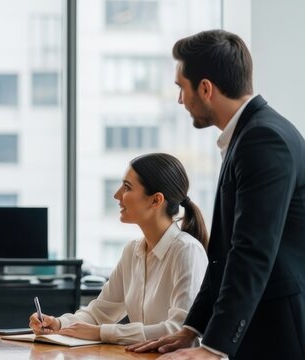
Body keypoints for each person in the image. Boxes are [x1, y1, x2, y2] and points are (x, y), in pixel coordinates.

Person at [127, 30, 305, 360]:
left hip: (276, 333)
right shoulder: (248, 135)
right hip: (257, 327)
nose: (180, 100)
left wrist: (214, 347)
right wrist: (193, 329)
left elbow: (251, 251)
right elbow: (222, 255)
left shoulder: (263, 139)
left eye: (182, 87)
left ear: (205, 89)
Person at [29, 153, 208, 345]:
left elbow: (180, 330)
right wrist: (58, 324)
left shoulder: (187, 251)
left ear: (155, 200)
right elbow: (100, 313)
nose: (116, 195)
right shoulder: (133, 251)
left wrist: (101, 333)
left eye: (127, 187)